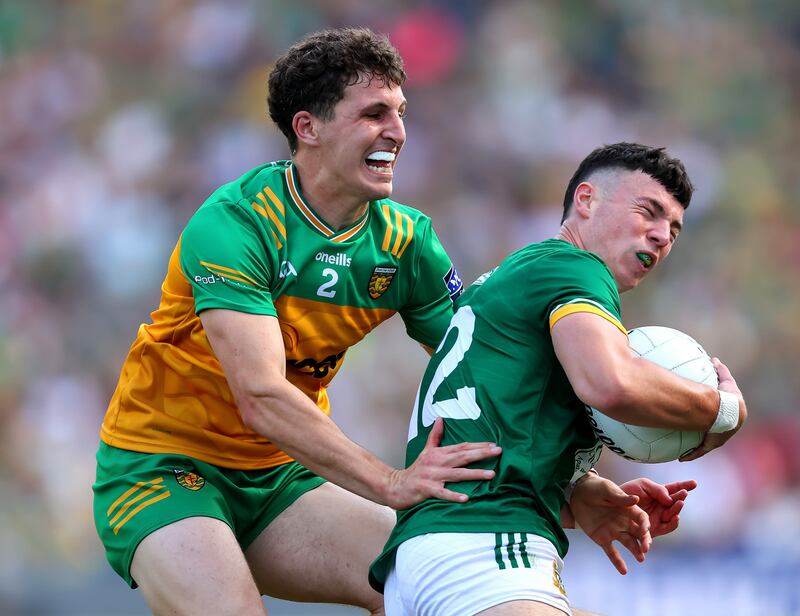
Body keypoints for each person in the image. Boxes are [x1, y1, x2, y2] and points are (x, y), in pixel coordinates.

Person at [91, 26, 695, 615]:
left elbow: (487, 382)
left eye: (401, 112)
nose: (398, 132)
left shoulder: (406, 243)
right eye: (374, 114)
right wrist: (388, 482)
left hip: (278, 479)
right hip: (162, 468)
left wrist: (581, 490)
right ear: (309, 128)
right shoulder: (237, 225)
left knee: (423, 584)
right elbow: (262, 397)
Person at [369, 142, 748, 616]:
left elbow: (503, 424)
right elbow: (611, 384)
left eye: (673, 229)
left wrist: (575, 491)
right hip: (487, 547)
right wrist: (724, 411)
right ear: (585, 201)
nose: (661, 236)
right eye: (648, 212)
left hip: (435, 554)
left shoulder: (519, 274)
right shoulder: (575, 267)